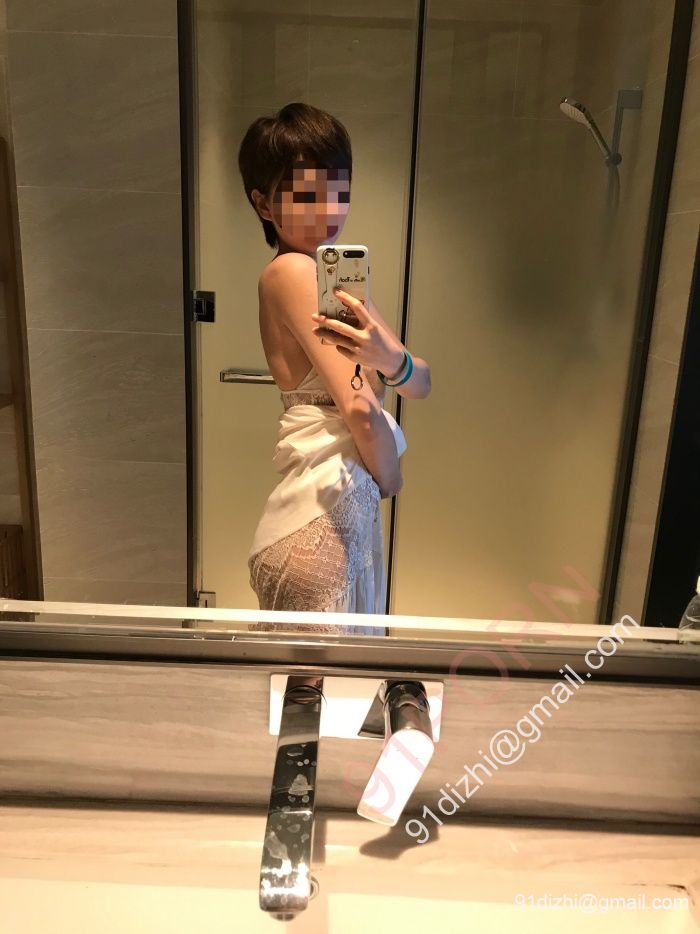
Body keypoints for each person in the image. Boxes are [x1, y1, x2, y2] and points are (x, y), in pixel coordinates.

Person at [238, 102, 430, 634]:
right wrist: (392, 479)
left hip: (323, 520)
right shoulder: (294, 270)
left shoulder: (331, 282)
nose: (329, 210)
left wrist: (391, 360)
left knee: (320, 686)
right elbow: (360, 409)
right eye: (306, 197)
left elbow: (420, 382)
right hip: (323, 524)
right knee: (326, 684)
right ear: (263, 203)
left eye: (338, 192)